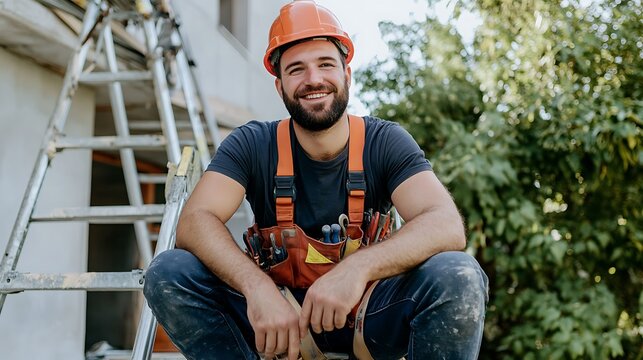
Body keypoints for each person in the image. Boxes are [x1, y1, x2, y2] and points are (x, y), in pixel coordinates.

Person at [143, 1, 488, 359]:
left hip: (369, 323)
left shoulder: (384, 141)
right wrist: (257, 287)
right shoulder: (252, 144)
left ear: (347, 75)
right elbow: (195, 220)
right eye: (296, 69)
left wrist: (357, 267)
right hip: (276, 328)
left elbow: (445, 224)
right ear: (279, 86)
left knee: (457, 274)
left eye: (325, 64)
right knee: (170, 272)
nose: (313, 80)